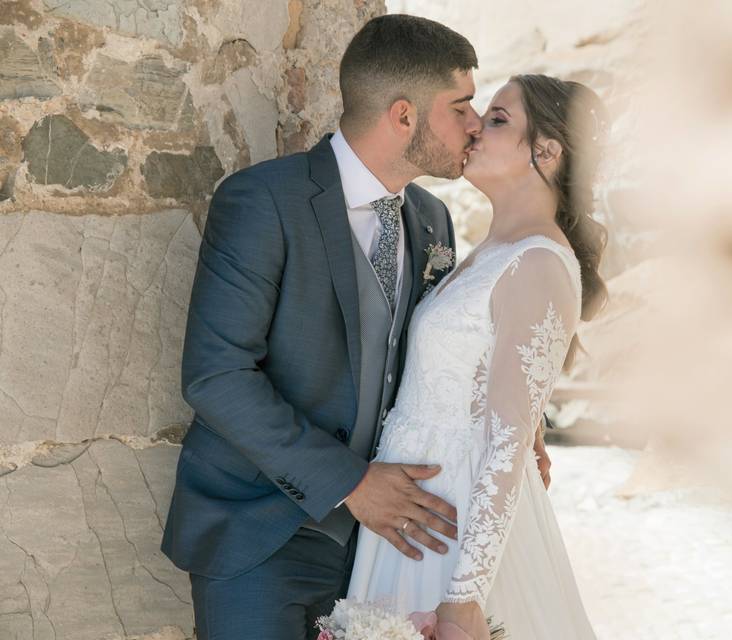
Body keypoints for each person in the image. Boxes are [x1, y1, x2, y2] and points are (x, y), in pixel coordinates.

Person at [161, 14, 552, 639]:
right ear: (403, 116)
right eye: (461, 106)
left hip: (389, 550)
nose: (475, 124)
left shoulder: (432, 220)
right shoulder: (263, 201)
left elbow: (441, 360)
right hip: (262, 536)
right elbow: (217, 375)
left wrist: (518, 414)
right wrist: (351, 483)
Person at [347, 74, 607, 639]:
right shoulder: (491, 249)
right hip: (412, 508)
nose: (474, 129)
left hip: (451, 529)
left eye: (496, 119)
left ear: (547, 152)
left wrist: (464, 597)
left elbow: (507, 442)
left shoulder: (538, 262)